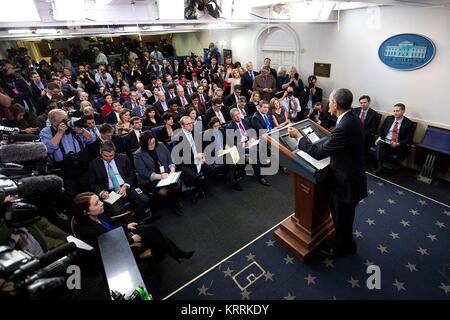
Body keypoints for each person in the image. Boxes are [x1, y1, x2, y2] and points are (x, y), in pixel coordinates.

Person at [288, 88, 367, 257]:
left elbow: (318, 153)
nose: (328, 104)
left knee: (343, 218)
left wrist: (299, 137)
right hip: (351, 176)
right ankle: (344, 242)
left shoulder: (343, 127)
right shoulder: (352, 119)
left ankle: (342, 248)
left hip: (346, 183)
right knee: (342, 217)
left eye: (330, 101)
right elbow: (335, 142)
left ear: (336, 104)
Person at [72, 192, 194, 264]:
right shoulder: (86, 232)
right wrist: (130, 241)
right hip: (119, 249)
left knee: (151, 229)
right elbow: (106, 250)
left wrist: (126, 225)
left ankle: (170, 254)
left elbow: (112, 226)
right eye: (96, 203)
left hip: (122, 235)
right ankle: (171, 254)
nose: (101, 203)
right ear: (85, 212)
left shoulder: (99, 214)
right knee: (153, 232)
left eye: (99, 201)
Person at [88, 140, 151, 222]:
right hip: (110, 193)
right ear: (100, 152)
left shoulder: (123, 158)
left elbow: (131, 174)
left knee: (144, 199)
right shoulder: (94, 164)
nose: (109, 158)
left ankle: (137, 220)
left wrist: (126, 185)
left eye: (111, 156)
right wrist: (101, 192)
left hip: (125, 187)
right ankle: (130, 224)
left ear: (114, 151)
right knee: (116, 211)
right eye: (106, 156)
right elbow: (92, 184)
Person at [134, 131, 183, 216]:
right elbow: (143, 172)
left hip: (167, 174)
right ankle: (171, 203)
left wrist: (172, 170)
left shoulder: (160, 145)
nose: (152, 145)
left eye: (153, 142)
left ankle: (174, 202)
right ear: (143, 143)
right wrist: (160, 176)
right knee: (164, 192)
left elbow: (170, 159)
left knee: (178, 184)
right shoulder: (138, 154)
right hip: (151, 179)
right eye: (149, 144)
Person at [374, 103, 415, 173]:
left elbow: (409, 139)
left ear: (403, 111)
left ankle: (378, 165)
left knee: (380, 147)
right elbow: (381, 130)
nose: (395, 113)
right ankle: (380, 167)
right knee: (380, 143)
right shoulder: (389, 118)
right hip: (385, 141)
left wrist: (398, 144)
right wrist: (379, 137)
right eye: (394, 111)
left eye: (397, 111)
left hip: (397, 145)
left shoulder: (409, 123)